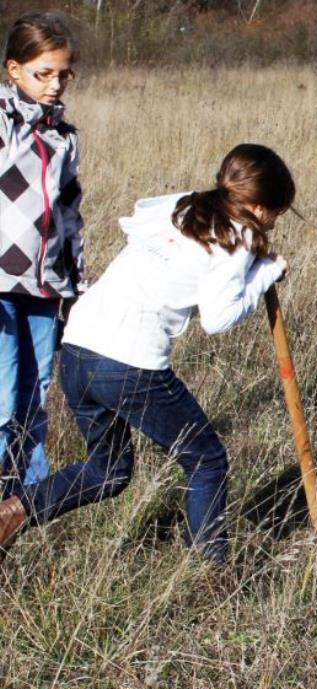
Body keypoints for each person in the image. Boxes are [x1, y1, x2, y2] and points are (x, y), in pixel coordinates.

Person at [0, 144, 296, 564]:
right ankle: (211, 572)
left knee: (109, 471)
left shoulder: (183, 208)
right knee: (207, 460)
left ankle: (12, 512)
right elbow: (218, 317)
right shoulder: (240, 236)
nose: (272, 221)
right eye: (275, 213)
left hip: (79, 348)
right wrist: (268, 271)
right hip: (129, 363)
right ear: (260, 206)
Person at [0, 12, 84, 500]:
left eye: (63, 74)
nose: (55, 84)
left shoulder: (64, 135)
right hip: (2, 286)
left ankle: (27, 511)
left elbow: (71, 215)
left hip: (46, 287)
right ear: (14, 70)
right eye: (43, 73)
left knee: (35, 402)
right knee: (3, 402)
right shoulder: (4, 124)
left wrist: (76, 283)